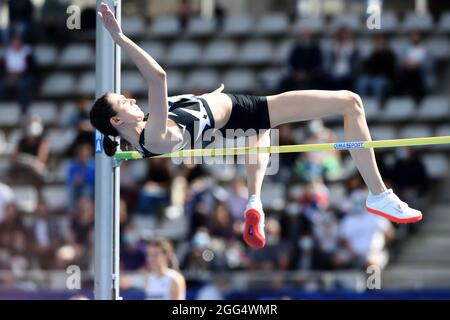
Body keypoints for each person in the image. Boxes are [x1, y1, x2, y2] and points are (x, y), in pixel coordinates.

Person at [90, 3, 423, 250]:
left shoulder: (143, 136)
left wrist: (205, 98)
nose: (132, 100)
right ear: (116, 120)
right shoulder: (154, 135)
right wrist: (120, 38)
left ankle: (254, 202)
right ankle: (379, 194)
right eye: (124, 102)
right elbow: (158, 78)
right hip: (247, 110)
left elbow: (172, 108)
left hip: (230, 116)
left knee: (260, 136)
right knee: (351, 102)